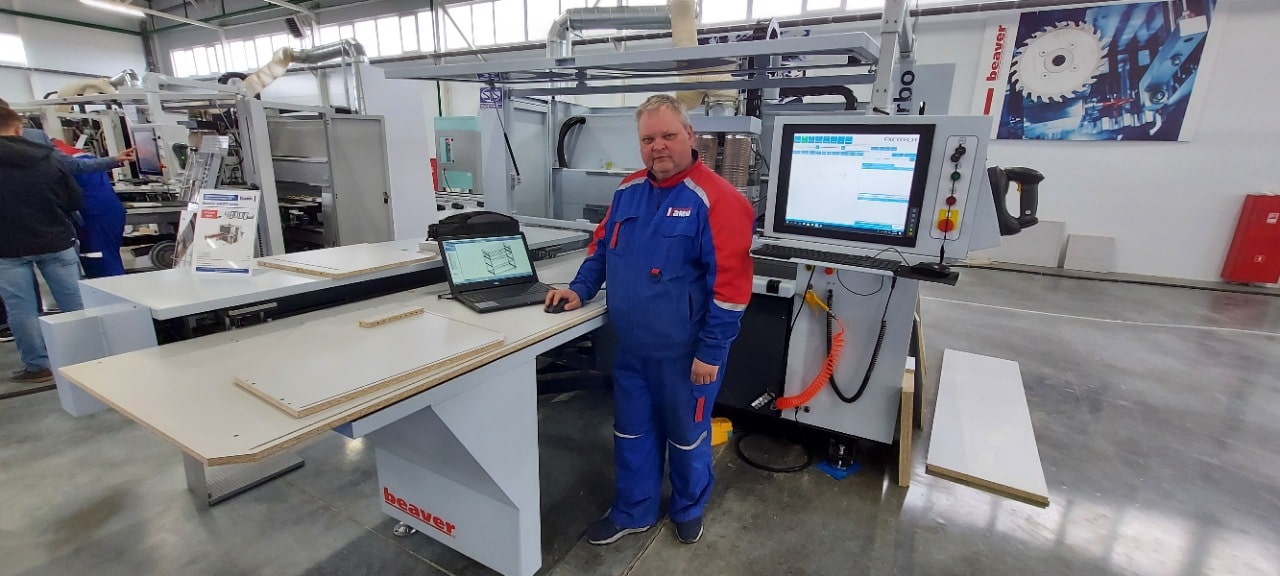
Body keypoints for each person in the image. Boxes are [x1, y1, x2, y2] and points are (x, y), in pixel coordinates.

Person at [544, 94, 755, 545]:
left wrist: (711, 351)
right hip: (632, 350)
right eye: (647, 139)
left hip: (687, 357)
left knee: (686, 436)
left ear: (689, 135)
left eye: (667, 135)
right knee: (632, 432)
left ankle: (688, 508)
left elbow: (732, 290)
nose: (657, 146)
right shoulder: (628, 191)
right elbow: (601, 249)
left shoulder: (719, 200)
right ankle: (633, 510)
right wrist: (580, 289)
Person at [0, 106, 86, 383]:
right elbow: (74, 200)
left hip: (7, 249)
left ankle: (37, 366)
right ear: (18, 129)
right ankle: (90, 356)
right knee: (74, 301)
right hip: (56, 240)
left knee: (21, 309)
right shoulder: (49, 158)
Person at [53, 140, 128, 278]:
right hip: (94, 214)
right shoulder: (61, 153)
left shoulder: (60, 158)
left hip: (94, 216)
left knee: (102, 264)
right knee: (96, 261)